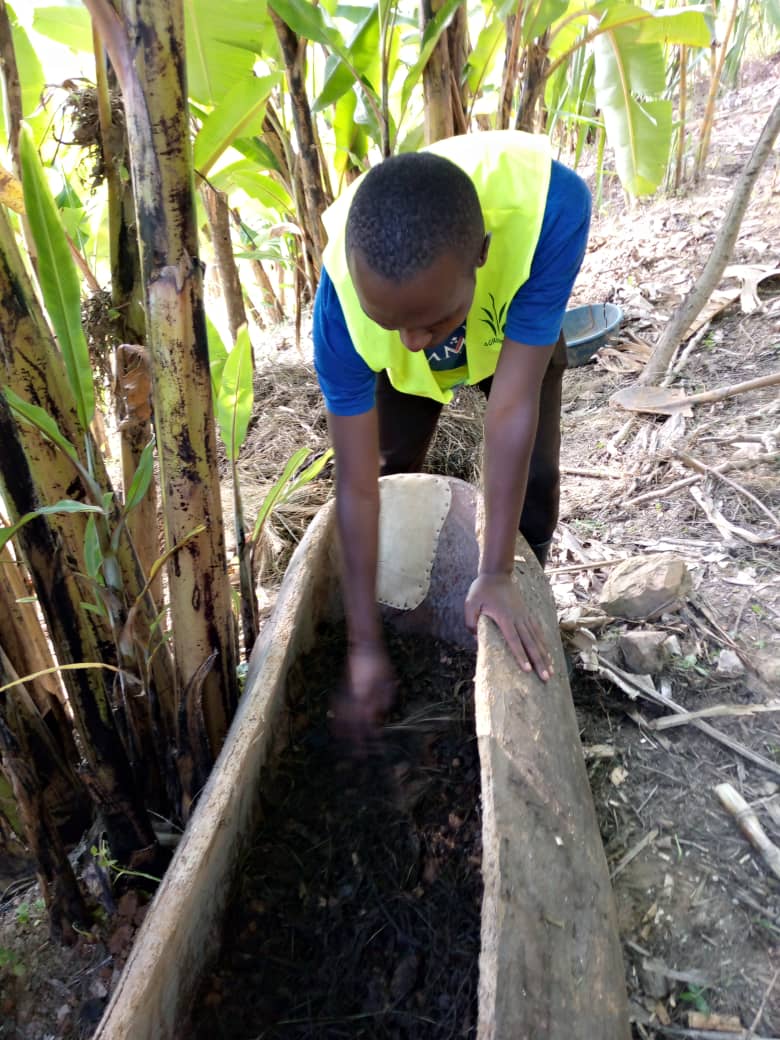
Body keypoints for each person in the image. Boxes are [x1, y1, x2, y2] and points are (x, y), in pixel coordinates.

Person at [313, 130, 591, 737]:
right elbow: (357, 485)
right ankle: (389, 613)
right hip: (409, 356)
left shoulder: (552, 211)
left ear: (482, 253)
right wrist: (364, 646)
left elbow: (511, 408)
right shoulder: (340, 312)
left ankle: (521, 598)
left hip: (506, 328)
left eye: (430, 322)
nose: (414, 341)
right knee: (389, 473)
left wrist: (495, 572)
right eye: (394, 323)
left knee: (536, 481)